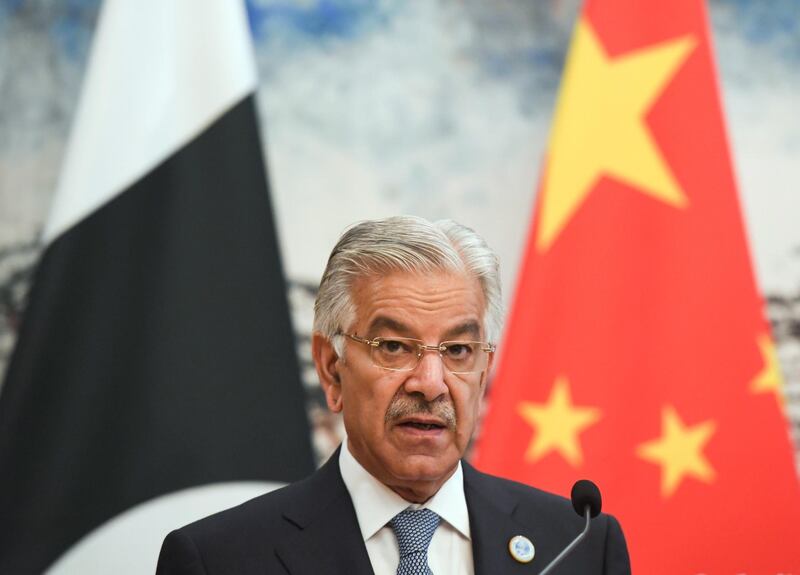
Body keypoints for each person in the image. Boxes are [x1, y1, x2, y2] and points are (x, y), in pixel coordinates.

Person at [156, 216, 630, 574]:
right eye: (394, 347)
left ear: (484, 369)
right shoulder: (219, 560)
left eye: (459, 350)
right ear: (331, 369)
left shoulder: (580, 544)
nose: (430, 381)